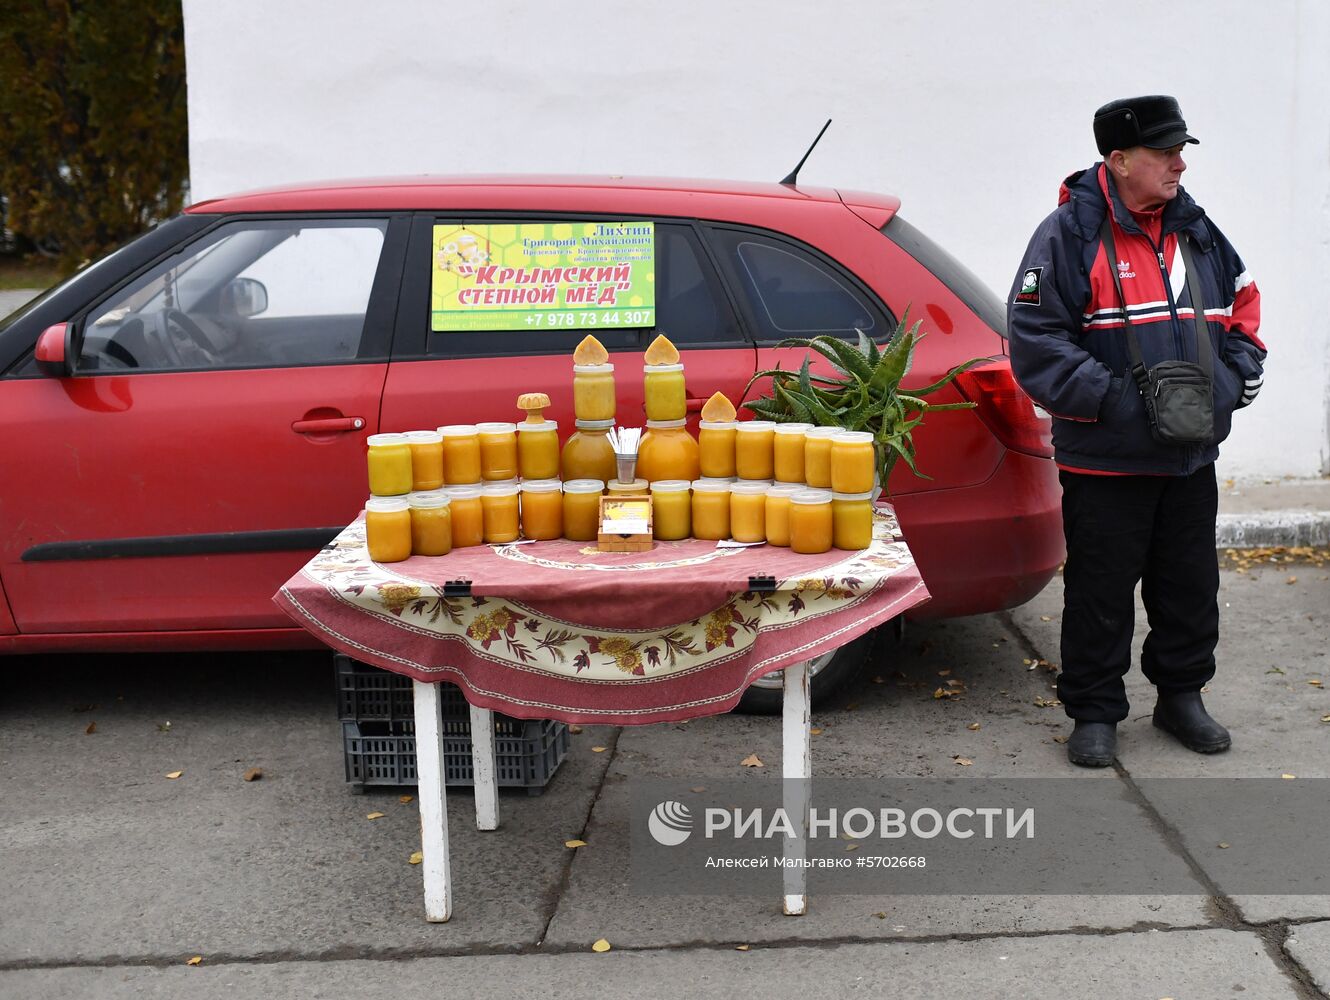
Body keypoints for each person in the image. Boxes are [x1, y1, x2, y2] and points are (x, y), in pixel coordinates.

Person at [1007, 95, 1264, 767]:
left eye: (1181, 150)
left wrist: (1230, 387)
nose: (1180, 163)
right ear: (1119, 162)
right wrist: (1126, 403)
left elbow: (1242, 308)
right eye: (1163, 153)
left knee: (1189, 586)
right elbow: (1035, 342)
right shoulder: (1065, 236)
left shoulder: (1197, 229)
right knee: (1099, 592)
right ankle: (1094, 712)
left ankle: (1182, 697)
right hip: (1106, 461)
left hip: (1190, 458)